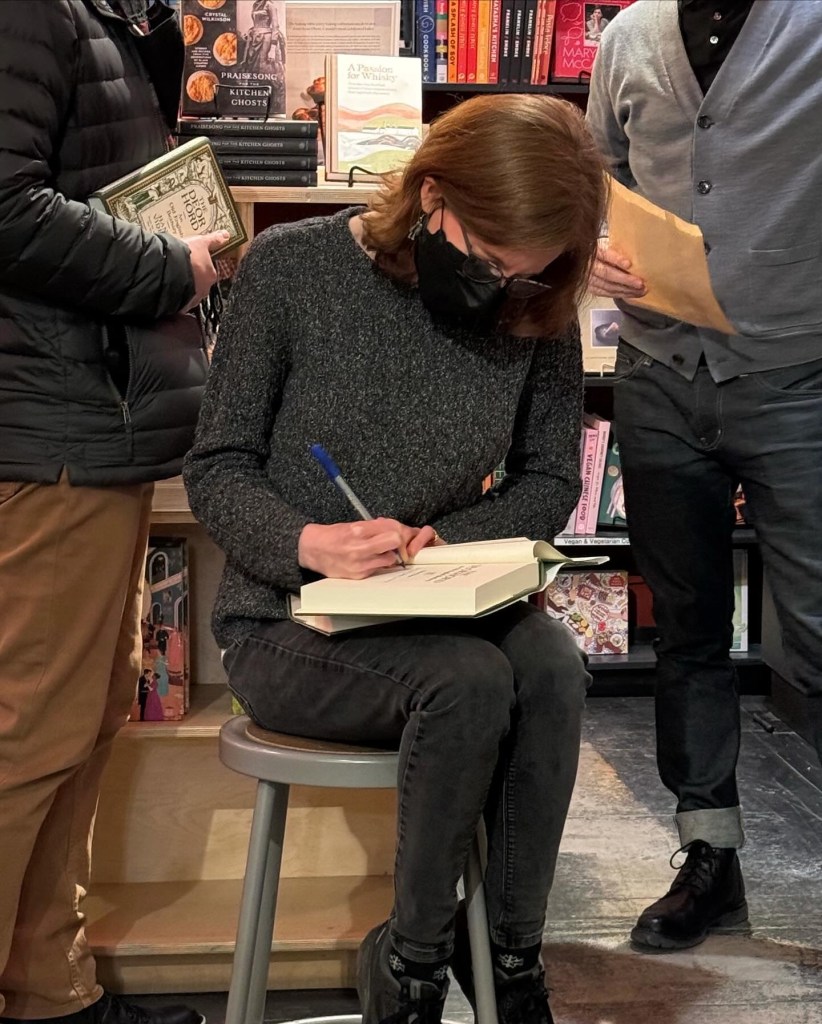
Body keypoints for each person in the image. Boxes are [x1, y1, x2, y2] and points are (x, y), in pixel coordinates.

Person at [183, 93, 607, 1024]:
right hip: (289, 620)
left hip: (443, 599)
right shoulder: (292, 270)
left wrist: (443, 541)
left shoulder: (536, 305)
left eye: (526, 276)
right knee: (465, 686)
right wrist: (306, 541)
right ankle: (411, 968)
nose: (502, 292)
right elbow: (216, 468)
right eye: (490, 263)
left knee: (554, 668)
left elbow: (548, 480)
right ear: (431, 196)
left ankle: (510, 954)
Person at [0, 1, 227, 1022]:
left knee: (77, 728)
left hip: (92, 426)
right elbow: (4, 205)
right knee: (26, 736)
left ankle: (49, 985)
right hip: (47, 429)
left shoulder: (109, 20)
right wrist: (166, 267)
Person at [586, 0, 822, 953]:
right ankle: (708, 856)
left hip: (798, 374)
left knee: (817, 630)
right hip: (657, 378)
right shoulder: (628, 37)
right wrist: (592, 246)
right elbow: (593, 169)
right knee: (686, 628)